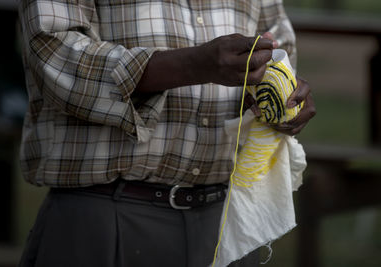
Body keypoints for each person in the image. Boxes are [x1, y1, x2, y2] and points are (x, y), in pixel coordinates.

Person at [18, 0, 316, 266]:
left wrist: (284, 93)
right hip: (106, 214)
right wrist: (192, 65)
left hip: (227, 219)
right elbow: (54, 55)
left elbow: (279, 46)